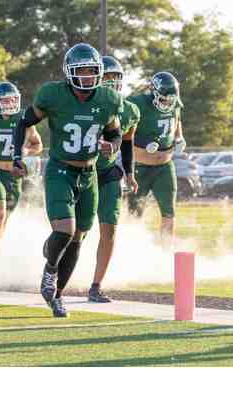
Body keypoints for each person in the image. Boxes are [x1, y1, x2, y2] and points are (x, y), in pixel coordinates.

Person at [12, 43, 123, 318]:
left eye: (91, 71)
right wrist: (17, 156)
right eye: (81, 71)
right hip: (60, 170)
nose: (87, 76)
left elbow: (115, 133)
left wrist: (113, 145)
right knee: (65, 230)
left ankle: (57, 296)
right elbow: (24, 122)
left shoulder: (109, 99)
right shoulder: (53, 94)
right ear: (69, 72)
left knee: (78, 238)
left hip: (89, 174)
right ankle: (50, 270)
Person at [89, 55, 141, 303]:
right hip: (81, 172)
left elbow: (128, 142)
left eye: (115, 77)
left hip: (109, 172)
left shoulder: (130, 110)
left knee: (109, 229)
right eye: (107, 77)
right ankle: (55, 269)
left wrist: (129, 173)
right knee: (76, 230)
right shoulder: (85, 104)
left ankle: (96, 286)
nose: (111, 82)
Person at [0, 81, 43, 252]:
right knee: (0, 212)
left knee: (5, 217)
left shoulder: (24, 118)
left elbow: (38, 145)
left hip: (14, 174)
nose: (11, 103)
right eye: (6, 100)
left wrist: (26, 150)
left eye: (13, 99)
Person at [126, 72, 185, 245]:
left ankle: (165, 248)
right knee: (134, 213)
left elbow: (177, 121)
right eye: (164, 99)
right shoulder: (137, 103)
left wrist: (179, 137)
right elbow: (122, 130)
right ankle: (132, 248)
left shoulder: (174, 103)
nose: (167, 103)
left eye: (171, 100)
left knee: (169, 211)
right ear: (153, 92)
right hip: (140, 167)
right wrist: (144, 142)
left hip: (165, 166)